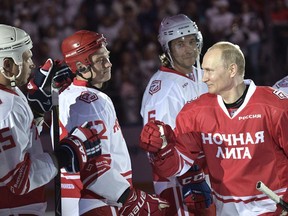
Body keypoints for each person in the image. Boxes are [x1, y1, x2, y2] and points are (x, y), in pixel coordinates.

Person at [139, 41, 288, 215]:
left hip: (274, 210)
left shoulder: (275, 106)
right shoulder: (195, 111)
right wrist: (162, 149)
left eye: (210, 70)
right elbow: (177, 166)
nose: (203, 78)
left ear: (232, 70)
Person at [58, 30, 169, 215]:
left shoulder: (64, 95)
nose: (108, 63)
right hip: (99, 201)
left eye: (107, 56)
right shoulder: (91, 102)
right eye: (100, 59)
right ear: (80, 65)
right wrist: (131, 199)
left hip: (77, 199)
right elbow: (95, 168)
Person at [0, 24, 101, 215]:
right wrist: (62, 156)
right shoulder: (8, 107)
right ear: (7, 64)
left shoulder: (9, 94)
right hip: (14, 208)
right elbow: (18, 181)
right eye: (26, 57)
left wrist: (36, 112)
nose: (31, 63)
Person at [140, 14, 215, 215]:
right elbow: (157, 146)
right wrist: (190, 177)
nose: (189, 49)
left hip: (206, 173)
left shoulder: (201, 75)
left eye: (192, 41)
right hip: (180, 182)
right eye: (180, 44)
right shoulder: (164, 88)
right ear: (168, 49)